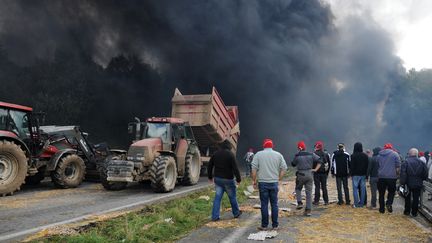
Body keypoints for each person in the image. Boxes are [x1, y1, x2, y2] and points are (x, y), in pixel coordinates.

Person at [251, 139, 287, 230]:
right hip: (274, 183)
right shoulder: (278, 155)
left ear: (264, 146)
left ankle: (264, 225)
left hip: (262, 183)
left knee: (264, 204)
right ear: (272, 146)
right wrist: (279, 179)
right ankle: (275, 225)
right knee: (274, 204)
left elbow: (254, 169)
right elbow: (284, 168)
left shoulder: (258, 154)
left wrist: (254, 181)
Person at [208, 140, 242, 221]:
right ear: (229, 147)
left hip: (218, 180)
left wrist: (210, 176)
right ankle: (236, 213)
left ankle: (215, 216)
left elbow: (210, 165)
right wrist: (238, 179)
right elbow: (235, 168)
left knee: (217, 197)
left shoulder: (216, 154)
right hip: (228, 180)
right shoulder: (230, 155)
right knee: (232, 197)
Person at [292, 141, 322, 216]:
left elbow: (293, 164)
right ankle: (308, 210)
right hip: (310, 174)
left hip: (301, 174)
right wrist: (315, 169)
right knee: (309, 193)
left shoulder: (297, 155)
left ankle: (299, 203)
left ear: (299, 148)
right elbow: (320, 161)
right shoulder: (311, 154)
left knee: (298, 189)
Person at [400, 148, 428, 217]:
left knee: (407, 197)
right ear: (417, 154)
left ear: (409, 154)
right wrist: (422, 179)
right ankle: (414, 212)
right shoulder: (422, 162)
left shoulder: (405, 162)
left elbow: (403, 173)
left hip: (408, 183)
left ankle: (407, 211)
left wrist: (402, 183)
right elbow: (425, 174)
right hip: (418, 182)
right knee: (416, 198)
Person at [377, 143, 401, 214]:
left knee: (381, 193)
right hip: (392, 177)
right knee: (391, 192)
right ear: (391, 148)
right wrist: (397, 175)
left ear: (384, 148)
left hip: (381, 177)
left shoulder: (379, 155)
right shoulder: (395, 154)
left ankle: (381, 209)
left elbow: (377, 166)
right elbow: (398, 166)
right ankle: (389, 203)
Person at [350, 142, 369, 208]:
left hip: (355, 175)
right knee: (363, 189)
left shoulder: (353, 155)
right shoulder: (365, 156)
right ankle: (362, 204)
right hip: (363, 175)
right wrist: (367, 175)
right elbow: (367, 166)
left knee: (355, 189)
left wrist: (351, 174)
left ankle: (356, 204)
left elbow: (352, 166)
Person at [313, 141, 330, 205]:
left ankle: (316, 201)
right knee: (324, 187)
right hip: (324, 173)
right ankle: (326, 201)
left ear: (316, 147)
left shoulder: (314, 154)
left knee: (317, 187)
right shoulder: (326, 154)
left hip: (316, 173)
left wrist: (313, 170)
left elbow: (312, 164)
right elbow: (328, 164)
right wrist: (327, 173)